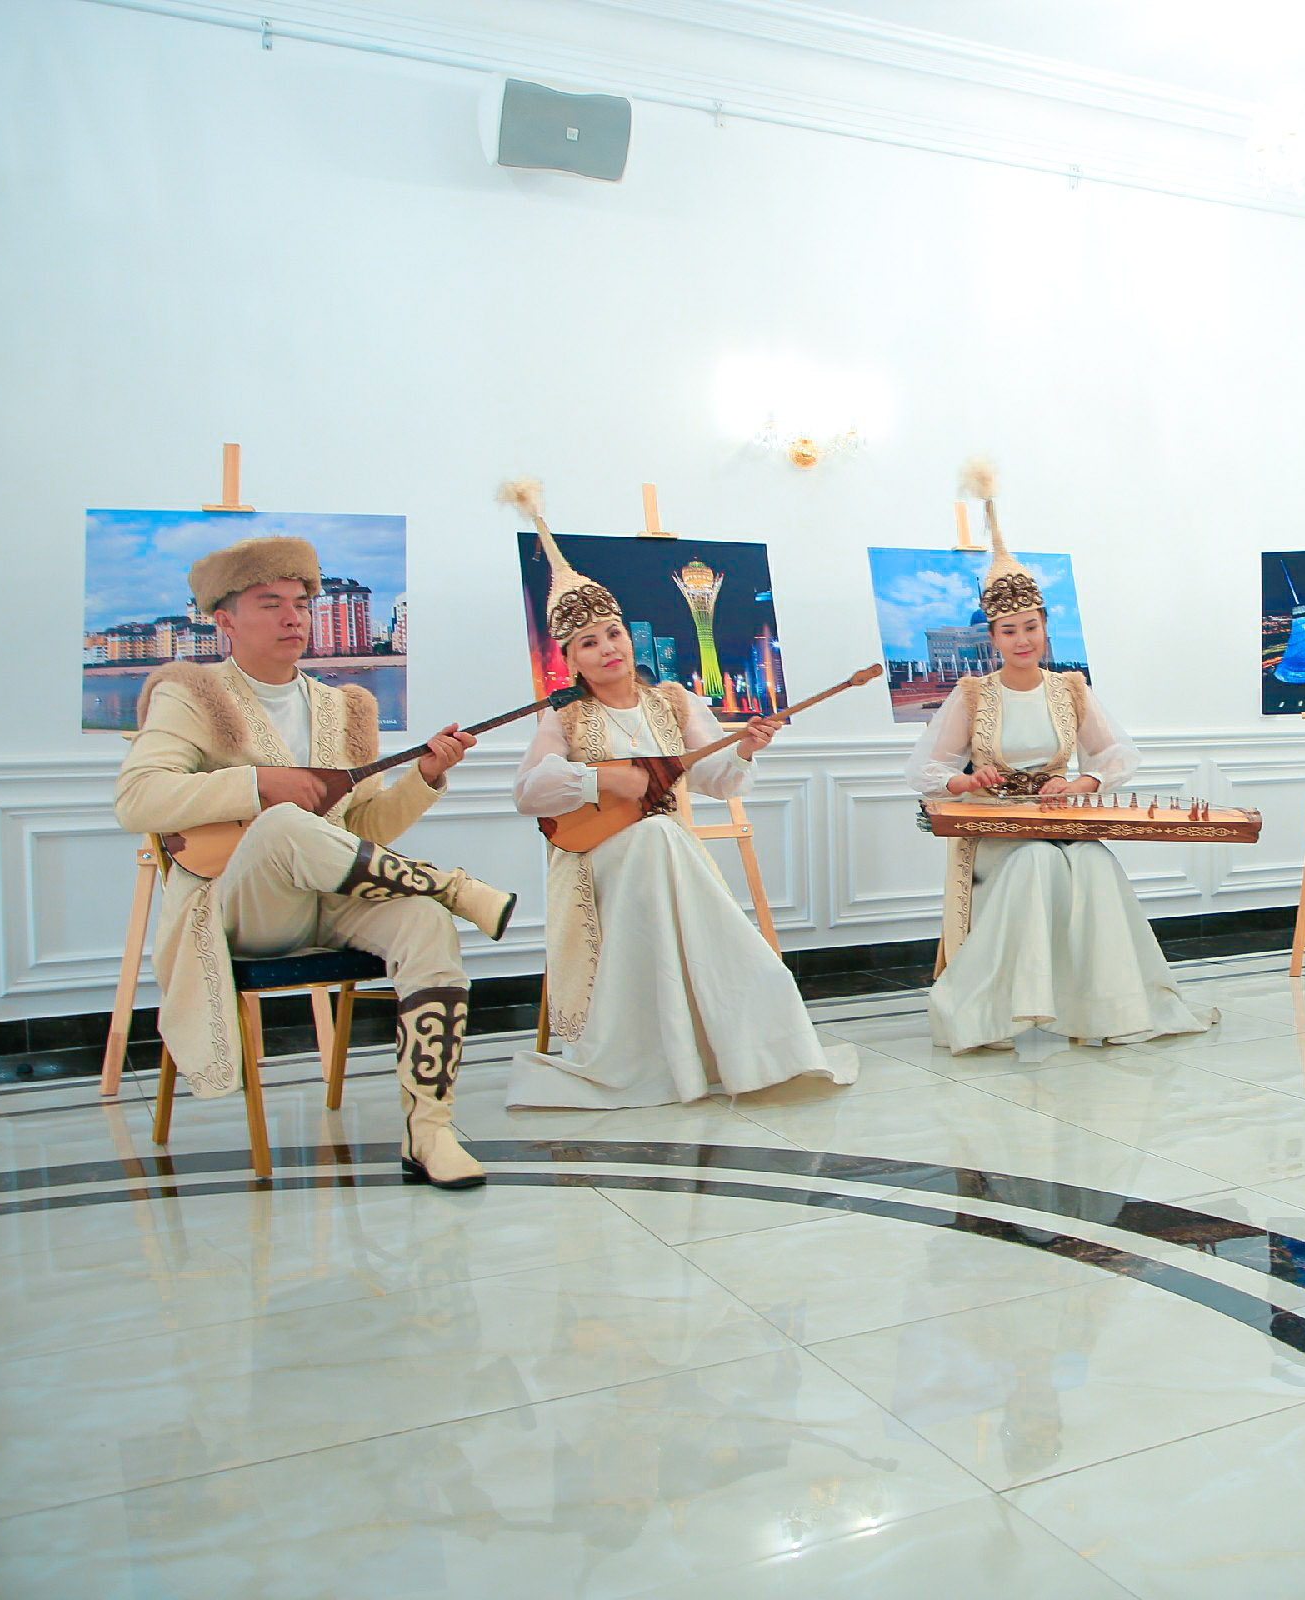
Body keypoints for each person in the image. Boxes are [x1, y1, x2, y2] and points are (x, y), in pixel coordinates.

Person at [114, 534, 513, 1189]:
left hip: (332, 897)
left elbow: (364, 829)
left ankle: (430, 1132)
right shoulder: (190, 696)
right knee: (281, 825)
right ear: (225, 621)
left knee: (423, 923)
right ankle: (448, 885)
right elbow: (136, 798)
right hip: (241, 909)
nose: (293, 617)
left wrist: (424, 777)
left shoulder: (343, 707)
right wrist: (257, 784)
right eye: (270, 603)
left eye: (300, 603)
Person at [502, 480, 854, 1107]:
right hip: (596, 861)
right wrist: (600, 778)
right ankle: (666, 1040)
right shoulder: (565, 717)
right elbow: (529, 793)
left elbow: (716, 779)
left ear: (628, 637)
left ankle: (748, 1031)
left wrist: (745, 747)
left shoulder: (675, 702)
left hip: (662, 854)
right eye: (589, 643)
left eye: (613, 634)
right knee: (660, 835)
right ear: (572, 659)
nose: (607, 649)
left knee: (662, 833)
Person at [905, 460, 1215, 1055]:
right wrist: (966, 781)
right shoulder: (972, 695)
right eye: (1009, 631)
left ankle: (1106, 1010)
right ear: (992, 638)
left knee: (1096, 864)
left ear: (1045, 628)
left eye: (1031, 628)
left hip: (1059, 820)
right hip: (997, 829)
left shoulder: (1070, 688)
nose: (1022, 640)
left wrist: (1085, 782)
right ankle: (1003, 1011)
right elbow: (923, 770)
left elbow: (1119, 752)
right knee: (1036, 866)